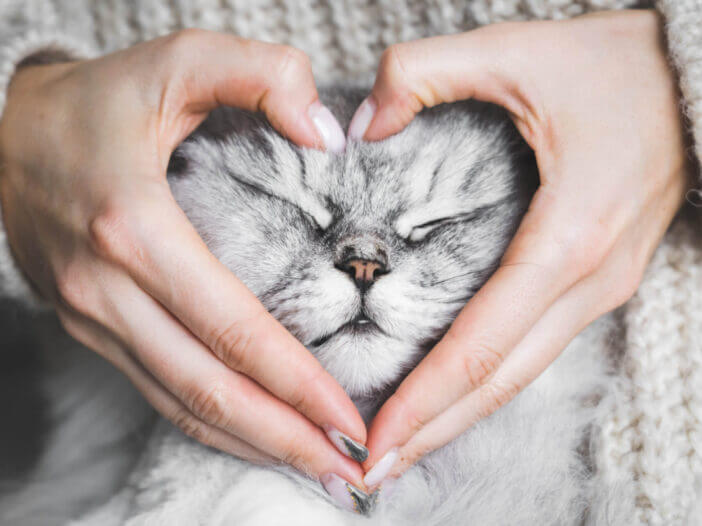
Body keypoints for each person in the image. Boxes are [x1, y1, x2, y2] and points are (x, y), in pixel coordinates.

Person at [0, 1, 699, 521]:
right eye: (297, 209)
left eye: (439, 222)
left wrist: (680, 73)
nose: (364, 261)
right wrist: (17, 126)